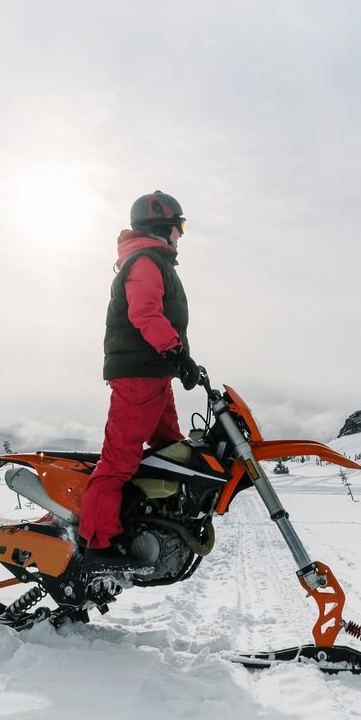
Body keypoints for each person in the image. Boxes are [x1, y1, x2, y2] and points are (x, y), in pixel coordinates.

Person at [79, 190, 203, 552]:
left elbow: (162, 319)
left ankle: (158, 521)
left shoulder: (154, 262)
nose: (181, 234)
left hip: (155, 374)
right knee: (118, 462)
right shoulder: (146, 262)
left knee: (170, 450)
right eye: (179, 226)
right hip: (139, 376)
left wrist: (182, 361)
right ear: (162, 226)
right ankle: (98, 543)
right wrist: (177, 353)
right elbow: (145, 314)